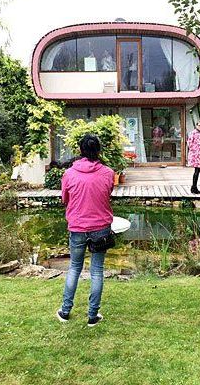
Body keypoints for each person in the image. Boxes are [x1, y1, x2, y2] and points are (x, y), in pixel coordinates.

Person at [57, 134, 114, 327]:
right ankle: (92, 316)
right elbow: (107, 194)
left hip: (77, 226)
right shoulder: (108, 173)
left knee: (74, 268)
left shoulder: (69, 174)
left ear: (80, 151)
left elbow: (65, 199)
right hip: (101, 227)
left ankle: (65, 311)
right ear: (98, 151)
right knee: (97, 271)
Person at [187, 121, 200, 194]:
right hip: (195, 154)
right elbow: (189, 143)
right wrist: (193, 151)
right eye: (199, 125)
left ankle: (194, 187)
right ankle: (194, 187)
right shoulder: (193, 133)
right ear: (196, 126)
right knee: (196, 170)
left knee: (198, 171)